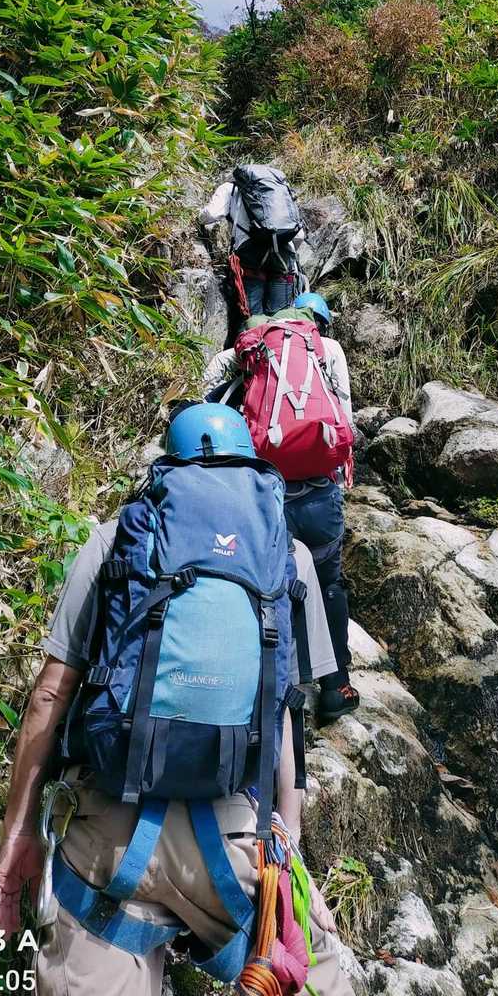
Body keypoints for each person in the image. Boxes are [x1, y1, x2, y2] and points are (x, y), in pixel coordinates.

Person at [0, 403, 359, 996]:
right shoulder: (289, 556)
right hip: (233, 839)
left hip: (105, 833)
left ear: (167, 466)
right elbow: (286, 713)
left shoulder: (114, 540)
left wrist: (17, 834)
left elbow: (51, 695)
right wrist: (288, 849)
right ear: (251, 465)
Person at [203, 293, 360, 726]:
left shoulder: (248, 349)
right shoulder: (327, 349)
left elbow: (210, 392)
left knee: (262, 584)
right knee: (328, 582)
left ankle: (261, 687)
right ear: (316, 322)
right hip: (319, 494)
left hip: (266, 491)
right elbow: (344, 420)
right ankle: (336, 686)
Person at [200, 164, 305, 326]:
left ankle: (253, 338)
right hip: (284, 254)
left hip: (251, 257)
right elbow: (299, 235)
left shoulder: (230, 188)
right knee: (282, 320)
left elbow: (211, 214)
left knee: (253, 320)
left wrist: (197, 216)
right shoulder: (280, 191)